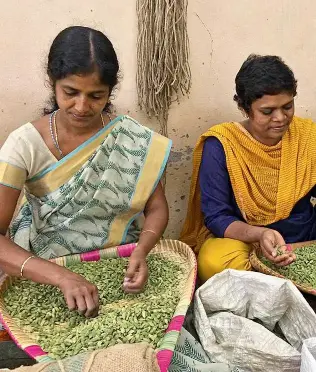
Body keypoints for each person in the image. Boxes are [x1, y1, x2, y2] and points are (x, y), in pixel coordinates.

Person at [0, 26, 171, 317]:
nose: (81, 106)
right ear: (52, 83)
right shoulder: (24, 144)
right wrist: (62, 277)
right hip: (49, 266)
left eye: (96, 95)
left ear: (110, 92)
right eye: (70, 92)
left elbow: (156, 209)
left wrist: (142, 250)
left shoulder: (131, 139)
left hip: (118, 263)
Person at [181, 54, 316, 281]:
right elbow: (216, 216)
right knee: (214, 262)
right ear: (245, 108)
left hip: (303, 237)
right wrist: (260, 234)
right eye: (267, 111)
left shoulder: (307, 136)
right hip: (247, 241)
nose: (280, 118)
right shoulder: (222, 144)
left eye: (288, 106)